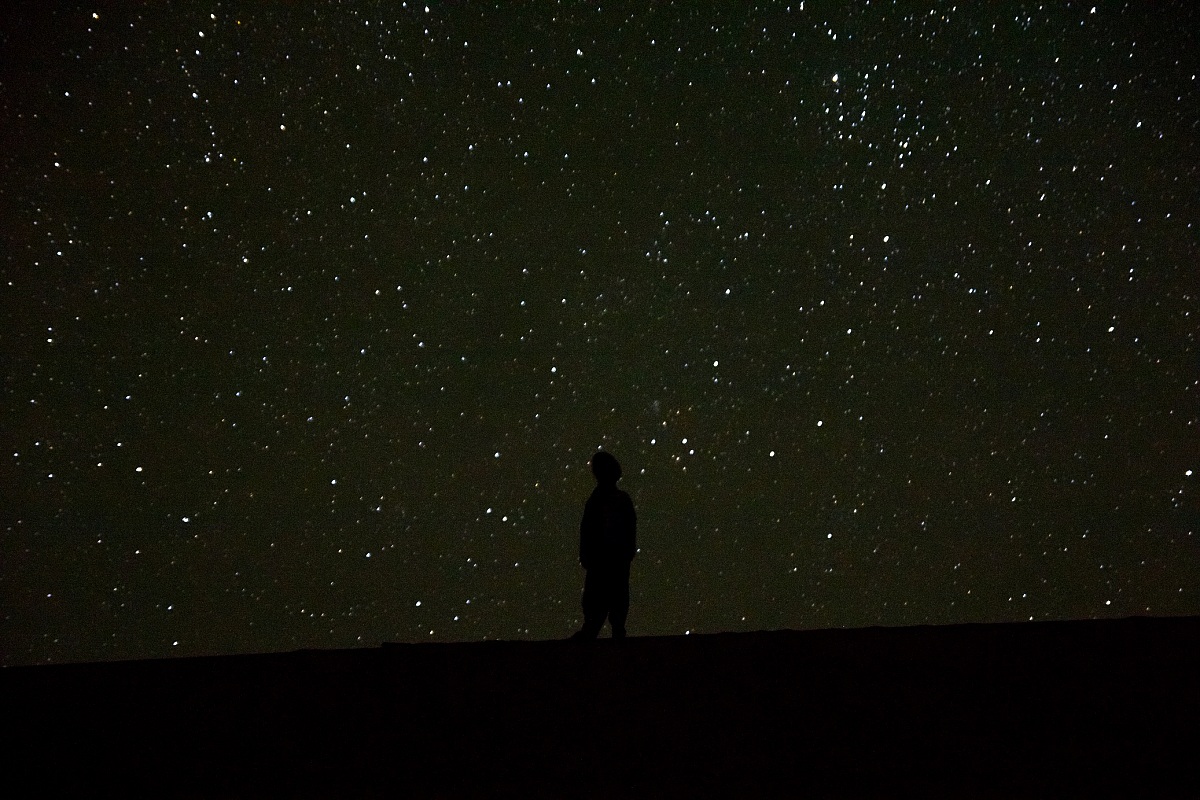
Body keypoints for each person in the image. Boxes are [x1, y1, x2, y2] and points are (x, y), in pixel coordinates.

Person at [572, 451, 637, 639]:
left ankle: (602, 629)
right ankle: (600, 629)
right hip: (606, 558)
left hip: (610, 558)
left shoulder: (603, 500)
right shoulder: (605, 500)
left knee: (609, 595)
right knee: (604, 596)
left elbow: (588, 530)